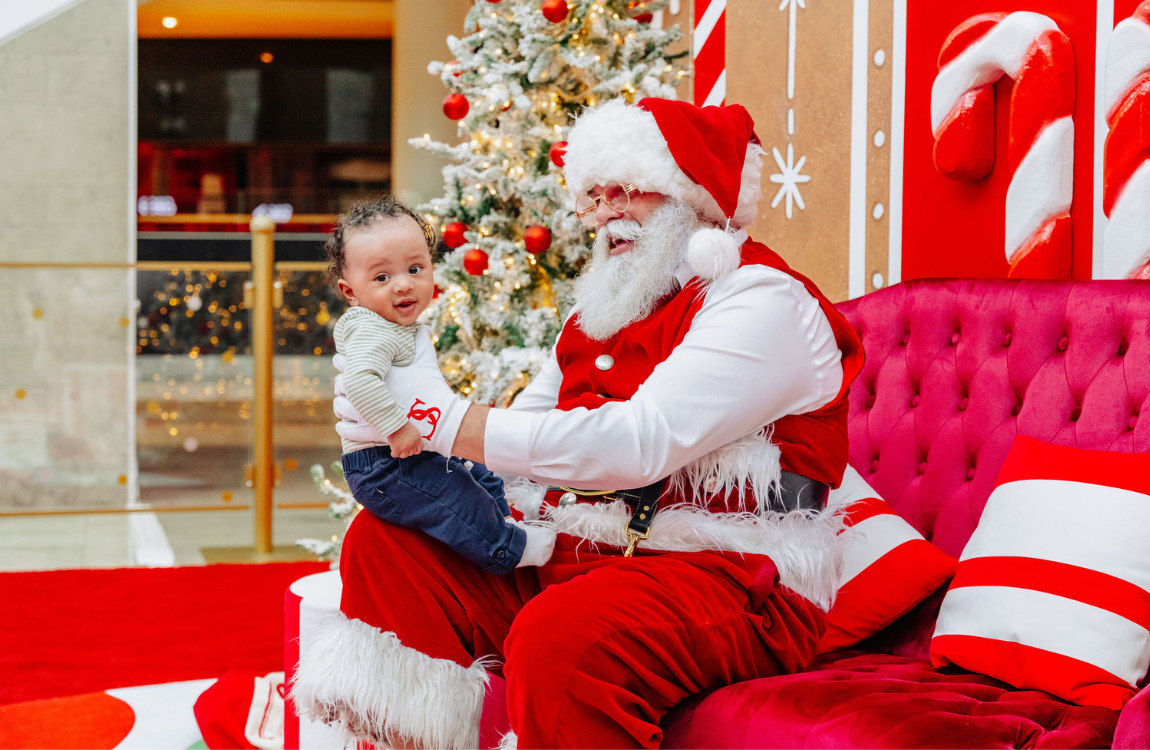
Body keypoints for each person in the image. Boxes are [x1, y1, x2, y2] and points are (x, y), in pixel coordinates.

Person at [294, 98, 865, 749]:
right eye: (593, 197)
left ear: (692, 196)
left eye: (623, 191)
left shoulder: (763, 300)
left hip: (732, 572)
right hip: (591, 551)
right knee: (386, 542)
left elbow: (638, 444)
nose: (604, 215)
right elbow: (521, 435)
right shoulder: (604, 311)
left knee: (563, 633)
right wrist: (409, 438)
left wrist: (451, 422)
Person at [326, 197, 556, 575]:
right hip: (383, 465)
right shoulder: (370, 327)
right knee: (454, 497)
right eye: (382, 277)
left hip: (408, 453)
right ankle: (505, 549)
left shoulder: (397, 326)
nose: (403, 285)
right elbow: (359, 380)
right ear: (350, 291)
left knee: (480, 474)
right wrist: (397, 428)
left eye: (415, 268)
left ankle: (503, 523)